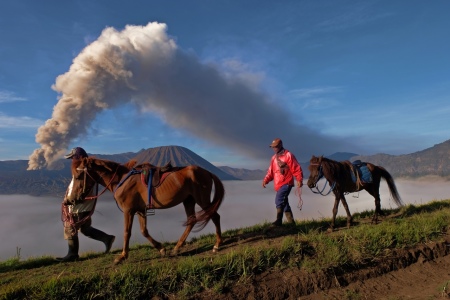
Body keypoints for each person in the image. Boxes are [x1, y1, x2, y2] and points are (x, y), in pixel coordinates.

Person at [55, 147, 115, 262]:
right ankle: (107, 239)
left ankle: (72, 254)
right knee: (85, 229)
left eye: (73, 157)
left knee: (70, 227)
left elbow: (80, 191)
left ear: (77, 157)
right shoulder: (84, 169)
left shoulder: (82, 171)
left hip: (78, 207)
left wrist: (69, 200)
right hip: (85, 206)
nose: (72, 160)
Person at [262, 138, 303, 226]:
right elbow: (271, 172)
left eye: (275, 146)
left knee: (279, 200)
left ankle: (278, 221)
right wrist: (266, 180)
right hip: (278, 184)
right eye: (272, 147)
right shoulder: (273, 158)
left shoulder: (289, 155)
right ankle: (291, 224)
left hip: (286, 182)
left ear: (280, 145)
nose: (274, 148)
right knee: (284, 203)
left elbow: (296, 168)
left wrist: (299, 179)